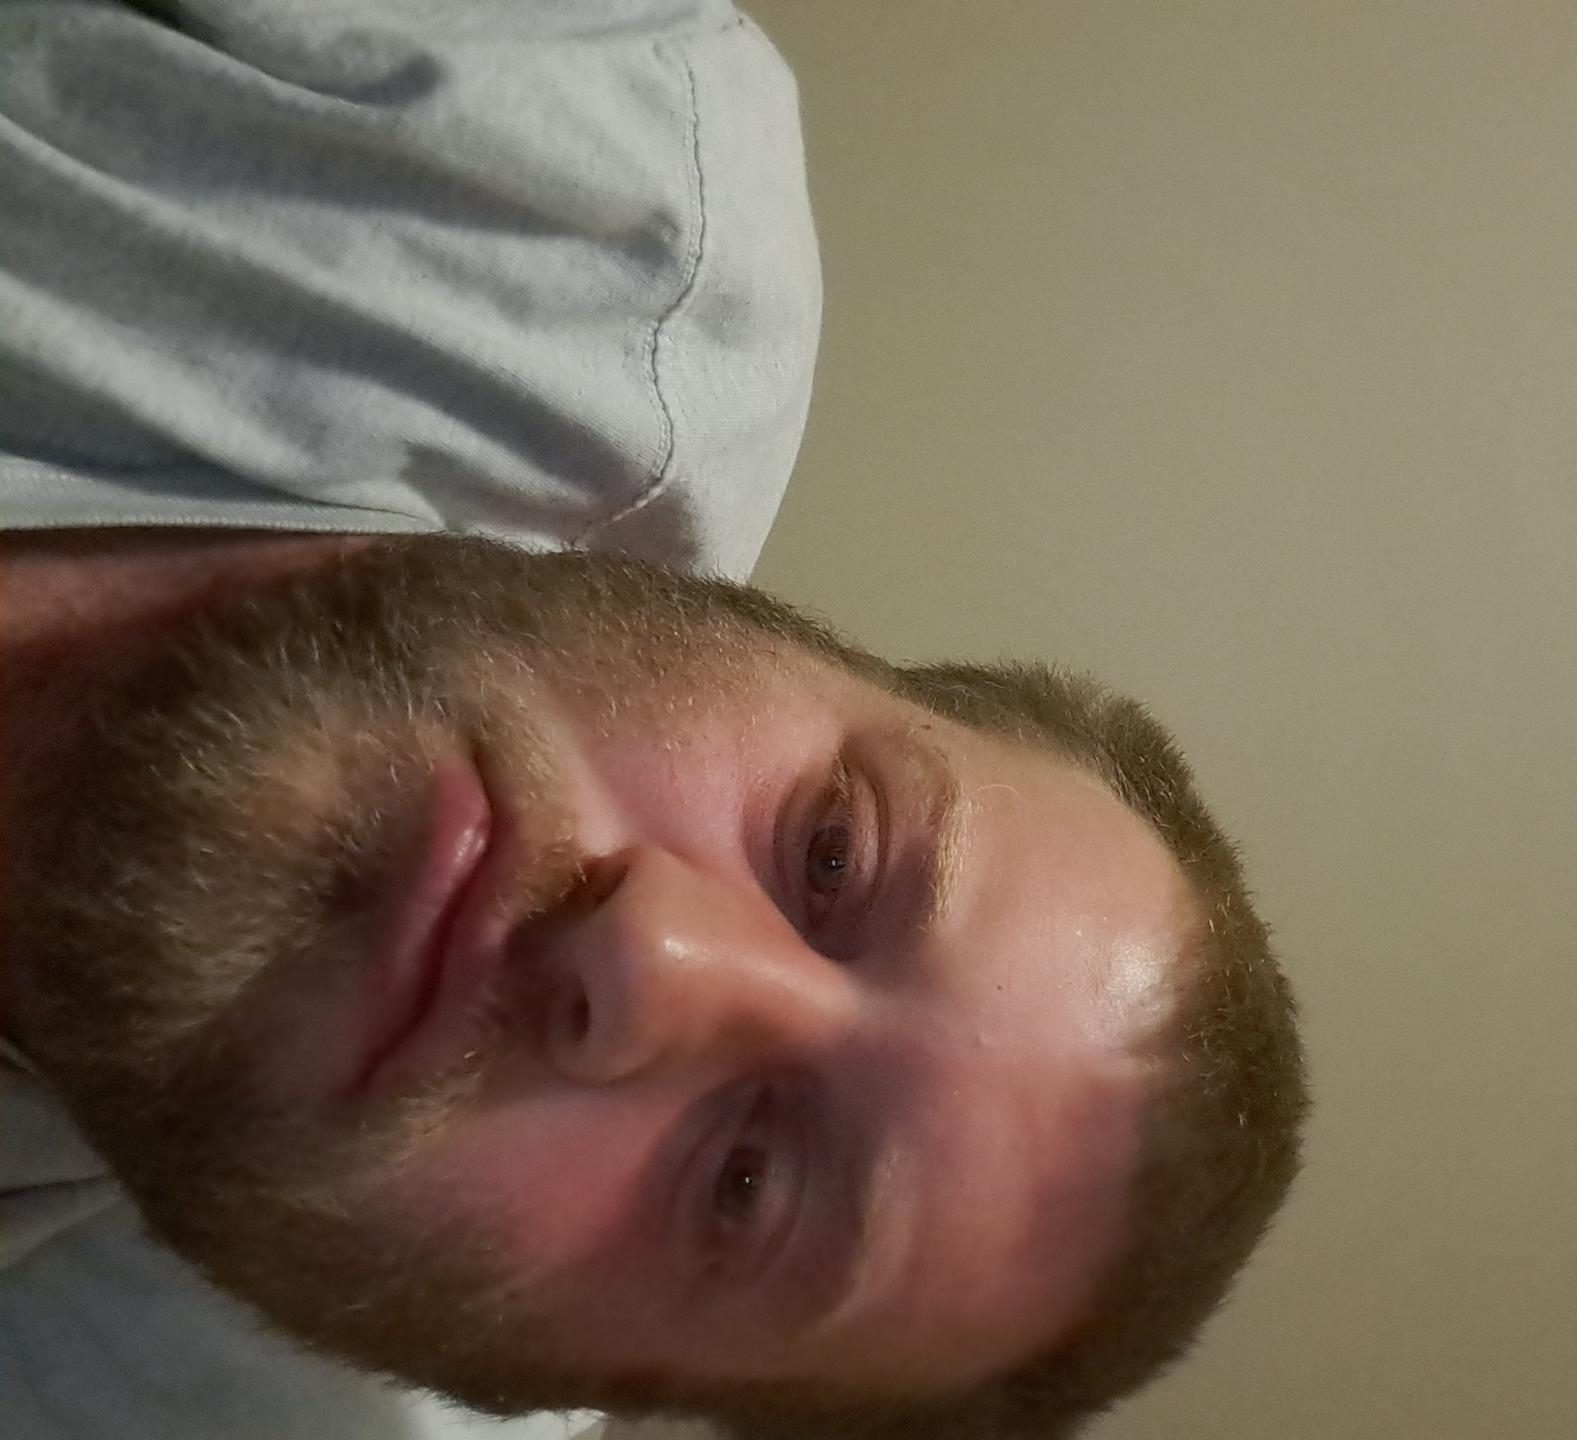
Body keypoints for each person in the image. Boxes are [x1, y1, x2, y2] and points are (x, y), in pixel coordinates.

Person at [0, 4, 1308, 1439]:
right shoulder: (549, 163)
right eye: (830, 855)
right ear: (784, 637)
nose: (646, 957)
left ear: (524, 1379)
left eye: (744, 1188)